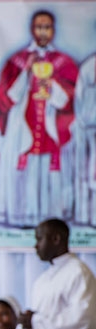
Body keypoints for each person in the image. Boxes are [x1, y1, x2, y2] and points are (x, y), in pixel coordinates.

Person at [0, 9, 79, 228]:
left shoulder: (62, 62)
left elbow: (71, 98)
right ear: (32, 29)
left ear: (53, 30)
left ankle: (51, 222)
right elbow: (7, 96)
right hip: (25, 125)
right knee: (27, 172)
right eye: (39, 27)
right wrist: (26, 72)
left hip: (50, 126)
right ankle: (23, 217)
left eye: (47, 27)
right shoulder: (18, 61)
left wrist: (52, 87)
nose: (43, 32)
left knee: (49, 173)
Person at [74, 51, 96, 226]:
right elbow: (79, 99)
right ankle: (86, 216)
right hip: (89, 128)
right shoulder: (89, 66)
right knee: (88, 174)